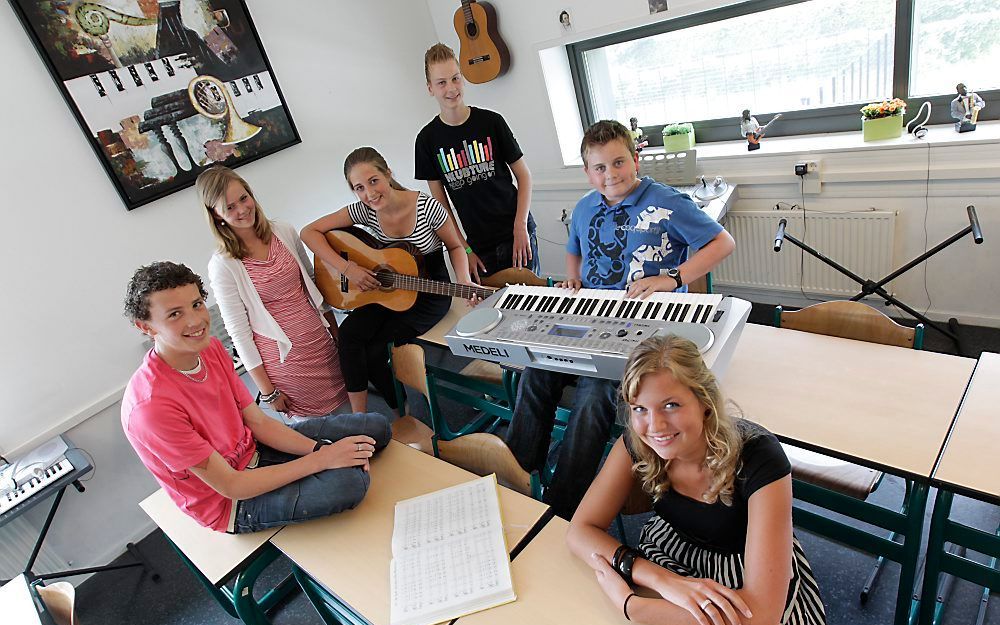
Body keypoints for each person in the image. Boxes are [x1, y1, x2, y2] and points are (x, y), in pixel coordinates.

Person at [505, 119, 735, 520]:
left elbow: (722, 241)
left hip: (647, 328)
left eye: (618, 163)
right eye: (599, 167)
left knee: (596, 395)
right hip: (593, 318)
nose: (610, 175)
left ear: (635, 159)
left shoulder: (668, 202)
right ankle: (517, 479)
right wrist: (573, 275)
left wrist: (674, 277)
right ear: (587, 171)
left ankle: (562, 506)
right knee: (535, 372)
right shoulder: (584, 206)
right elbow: (575, 249)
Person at [567, 335, 826, 625]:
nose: (655, 427)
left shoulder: (760, 457)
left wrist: (632, 606)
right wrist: (660, 579)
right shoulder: (636, 444)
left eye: (671, 405)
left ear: (704, 401)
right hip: (669, 553)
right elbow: (579, 531)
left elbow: (762, 616)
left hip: (745, 575)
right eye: (639, 408)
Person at [121, 261, 390, 533]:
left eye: (196, 304)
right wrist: (323, 459)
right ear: (146, 327)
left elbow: (258, 423)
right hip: (231, 501)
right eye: (175, 314)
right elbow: (232, 486)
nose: (195, 321)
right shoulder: (151, 407)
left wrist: (321, 450)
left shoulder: (210, 348)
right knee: (350, 482)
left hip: (256, 449)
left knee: (377, 427)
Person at [301, 147, 474, 414]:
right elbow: (308, 232)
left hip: (428, 293)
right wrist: (348, 268)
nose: (369, 194)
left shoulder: (427, 207)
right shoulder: (364, 210)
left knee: (375, 350)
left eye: (373, 181)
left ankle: (402, 413)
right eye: (359, 188)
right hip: (384, 288)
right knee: (348, 335)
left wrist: (463, 281)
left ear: (388, 174)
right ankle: (361, 418)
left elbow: (455, 246)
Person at [200, 166, 348, 421]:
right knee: (322, 438)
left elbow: (314, 287)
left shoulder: (284, 231)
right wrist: (267, 392)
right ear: (216, 215)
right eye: (230, 207)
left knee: (353, 418)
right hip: (286, 362)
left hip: (322, 345)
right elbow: (239, 333)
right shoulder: (223, 265)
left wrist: (337, 335)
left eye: (244, 198)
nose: (242, 210)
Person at [415, 43, 538, 282]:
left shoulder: (492, 122)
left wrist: (520, 226)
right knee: (496, 311)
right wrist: (464, 250)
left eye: (455, 79)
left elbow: (524, 176)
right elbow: (442, 210)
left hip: (517, 232)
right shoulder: (426, 140)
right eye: (441, 83)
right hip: (478, 247)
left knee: (532, 303)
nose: (451, 88)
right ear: (430, 88)